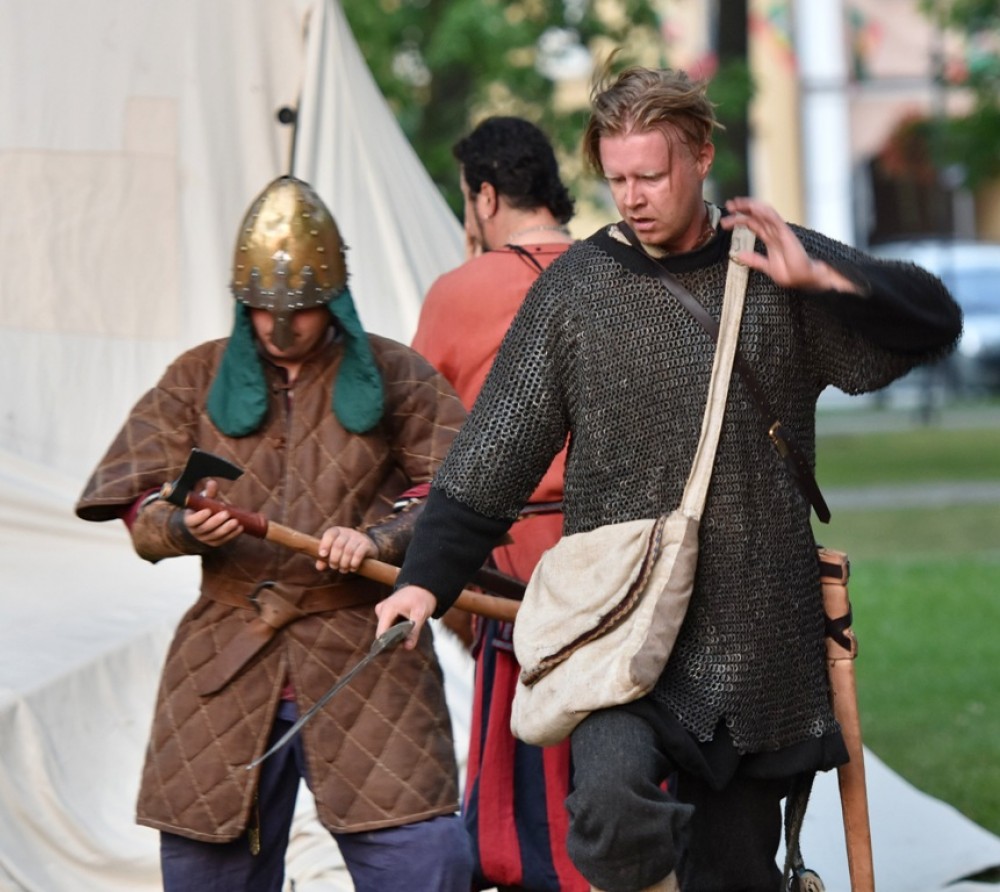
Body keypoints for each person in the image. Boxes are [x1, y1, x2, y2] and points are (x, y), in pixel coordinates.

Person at [373, 65, 963, 892]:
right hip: (621, 622)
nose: (633, 198)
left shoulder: (777, 264)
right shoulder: (578, 290)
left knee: (736, 872)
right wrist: (423, 581)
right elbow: (494, 455)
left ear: (700, 156)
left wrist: (834, 284)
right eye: (617, 179)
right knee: (609, 810)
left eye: (650, 176)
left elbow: (935, 321)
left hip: (756, 636)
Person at [74, 175, 474, 892]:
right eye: (262, 308)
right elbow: (137, 500)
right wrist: (183, 525)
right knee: (207, 870)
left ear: (334, 299)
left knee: (424, 861)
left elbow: (460, 491)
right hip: (229, 651)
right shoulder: (195, 376)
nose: (279, 326)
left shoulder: (397, 373)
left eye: (299, 309)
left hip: (366, 648)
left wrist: (379, 538)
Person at [410, 116, 587, 892]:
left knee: (529, 819)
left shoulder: (461, 291)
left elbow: (417, 434)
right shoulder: (616, 272)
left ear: (485, 196)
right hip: (626, 566)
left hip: (517, 569)